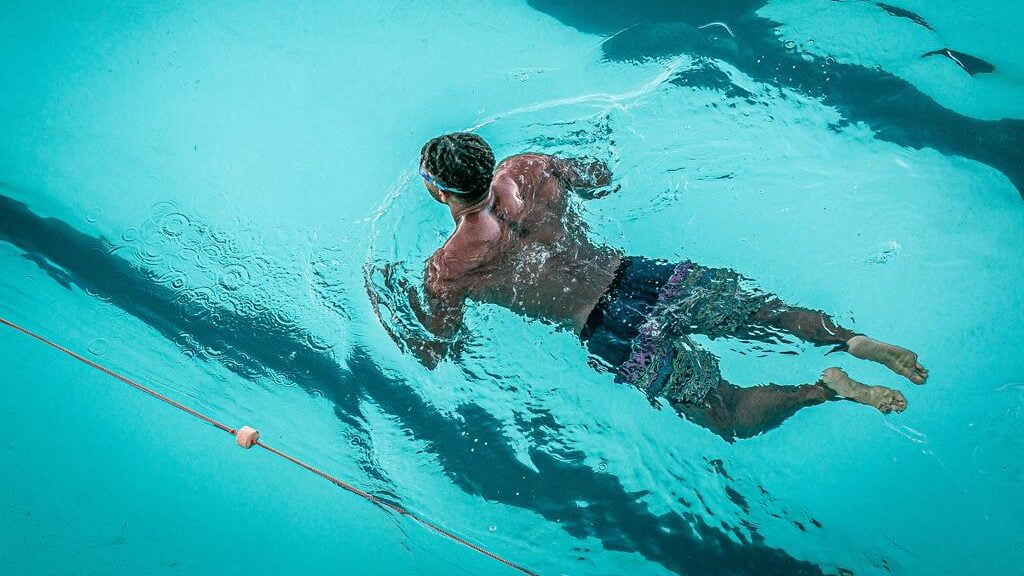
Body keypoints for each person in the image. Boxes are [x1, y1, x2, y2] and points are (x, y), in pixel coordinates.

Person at [396, 132, 928, 441]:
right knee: (769, 314)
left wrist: (395, 316)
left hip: (609, 331)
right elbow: (600, 177)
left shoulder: (450, 267)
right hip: (641, 277)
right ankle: (852, 341)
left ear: (435, 190)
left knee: (727, 413)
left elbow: (440, 347)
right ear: (488, 159)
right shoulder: (530, 168)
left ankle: (825, 390)